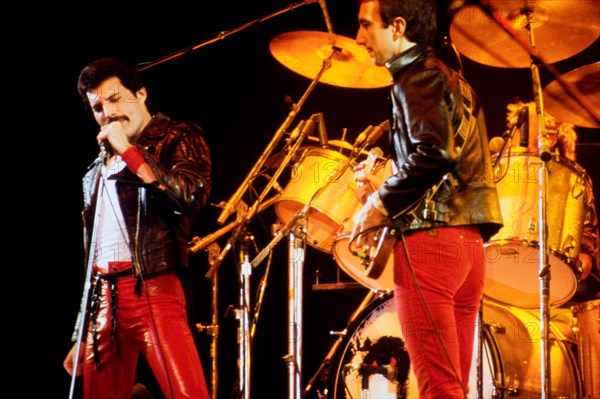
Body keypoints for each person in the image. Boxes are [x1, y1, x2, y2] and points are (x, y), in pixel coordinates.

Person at [351, 0, 503, 397]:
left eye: (367, 25)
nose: (359, 38)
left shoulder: (414, 78)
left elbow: (433, 152)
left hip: (430, 248)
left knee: (440, 389)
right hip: (468, 250)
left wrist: (377, 204)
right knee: (451, 388)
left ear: (397, 27)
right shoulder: (453, 79)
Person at [63, 56, 212, 399]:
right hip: (103, 300)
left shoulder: (176, 137)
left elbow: (191, 196)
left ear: (141, 94)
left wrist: (130, 152)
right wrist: (80, 331)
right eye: (99, 107)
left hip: (153, 289)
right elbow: (92, 255)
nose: (109, 112)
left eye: (116, 99)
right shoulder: (94, 171)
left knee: (187, 393)